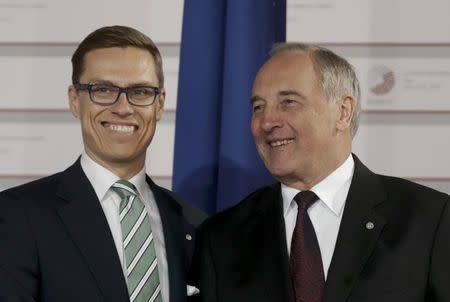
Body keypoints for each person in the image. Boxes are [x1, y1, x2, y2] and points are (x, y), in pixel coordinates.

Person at [191, 43, 450, 302]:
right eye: (258, 106)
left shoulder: (428, 220)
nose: (267, 122)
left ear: (343, 112)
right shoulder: (222, 238)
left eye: (288, 102)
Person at [0, 25, 206, 302]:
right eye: (104, 89)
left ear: (159, 104)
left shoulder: (194, 224)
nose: (123, 108)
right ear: (75, 100)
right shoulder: (16, 216)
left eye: (141, 92)